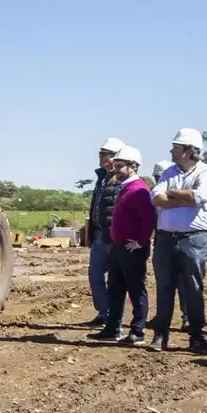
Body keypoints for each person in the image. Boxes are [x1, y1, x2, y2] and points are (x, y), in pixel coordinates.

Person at [149, 128, 207, 354]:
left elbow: (199, 197)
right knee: (164, 287)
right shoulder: (169, 172)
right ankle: (161, 335)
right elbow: (156, 197)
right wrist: (183, 197)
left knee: (194, 288)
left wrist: (174, 194)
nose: (171, 150)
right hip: (166, 239)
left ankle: (197, 336)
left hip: (193, 240)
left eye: (176, 147)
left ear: (188, 151)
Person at [89, 146, 155, 346]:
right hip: (118, 247)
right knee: (115, 288)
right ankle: (112, 328)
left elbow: (149, 219)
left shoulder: (139, 190)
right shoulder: (124, 187)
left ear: (133, 167)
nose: (115, 169)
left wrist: (140, 242)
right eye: (115, 165)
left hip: (130, 249)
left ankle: (138, 331)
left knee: (135, 289)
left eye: (119, 166)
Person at [85, 137, 125, 327]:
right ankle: (104, 312)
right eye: (101, 153)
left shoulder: (121, 180)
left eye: (106, 154)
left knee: (116, 278)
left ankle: (114, 316)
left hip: (113, 234)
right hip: (99, 233)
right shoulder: (102, 178)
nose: (101, 157)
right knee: (95, 274)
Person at [152, 158, 190, 331]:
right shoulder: (156, 192)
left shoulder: (178, 189)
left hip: (180, 237)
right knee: (164, 283)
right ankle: (162, 318)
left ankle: (187, 317)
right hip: (162, 237)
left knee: (184, 282)